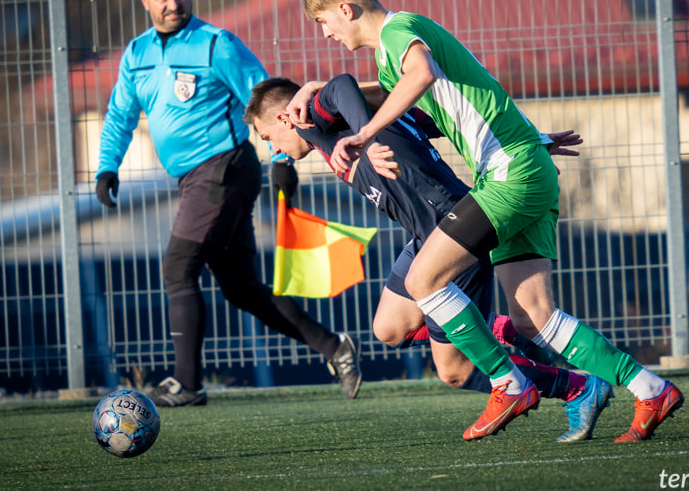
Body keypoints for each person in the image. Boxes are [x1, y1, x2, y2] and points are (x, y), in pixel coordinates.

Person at [287, 0, 683, 442]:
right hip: (525, 165)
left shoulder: (399, 31)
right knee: (534, 317)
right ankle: (649, 388)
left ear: (345, 9)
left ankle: (508, 382)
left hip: (508, 174)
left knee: (424, 278)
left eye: (322, 22)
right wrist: (313, 88)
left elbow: (422, 77)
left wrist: (365, 134)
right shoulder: (393, 53)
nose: (325, 34)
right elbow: (458, 89)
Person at [245, 74, 613, 442]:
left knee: (455, 370)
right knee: (388, 329)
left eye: (267, 138)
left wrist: (366, 137)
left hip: (452, 232)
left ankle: (577, 387)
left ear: (284, 119)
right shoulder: (363, 116)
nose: (271, 148)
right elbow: (450, 120)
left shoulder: (311, 116)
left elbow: (341, 85)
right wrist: (531, 142)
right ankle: (505, 330)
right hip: (428, 234)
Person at [94, 0, 361, 407]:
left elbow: (266, 98)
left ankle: (187, 384)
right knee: (240, 288)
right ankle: (335, 348)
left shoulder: (216, 44)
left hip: (224, 168)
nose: (173, 3)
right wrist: (106, 166)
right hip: (195, 179)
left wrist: (282, 156)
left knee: (178, 268)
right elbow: (120, 115)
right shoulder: (136, 55)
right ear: (145, 1)